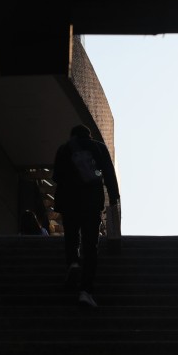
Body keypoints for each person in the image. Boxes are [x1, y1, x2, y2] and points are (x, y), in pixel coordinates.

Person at [52, 124, 120, 307]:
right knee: (91, 245)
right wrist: (114, 198)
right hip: (91, 202)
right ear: (89, 135)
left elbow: (56, 176)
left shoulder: (64, 149)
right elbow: (108, 173)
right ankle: (86, 290)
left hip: (69, 202)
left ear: (72, 136)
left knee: (72, 237)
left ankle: (73, 263)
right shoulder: (98, 147)